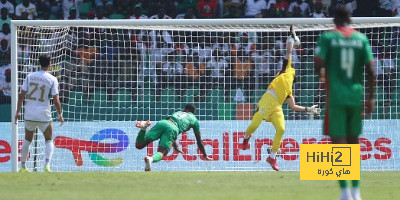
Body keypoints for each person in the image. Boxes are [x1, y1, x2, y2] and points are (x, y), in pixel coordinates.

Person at [314, 7, 375, 200]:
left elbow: (317, 63)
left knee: (339, 145)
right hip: (355, 96)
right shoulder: (361, 39)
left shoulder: (328, 38)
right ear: (350, 19)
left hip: (336, 97)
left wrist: (323, 76)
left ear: (334, 20)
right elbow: (372, 71)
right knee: (354, 144)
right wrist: (371, 98)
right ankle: (357, 192)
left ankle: (344, 192)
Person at [242, 25, 320, 171]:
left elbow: (293, 107)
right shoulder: (286, 70)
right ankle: (246, 137)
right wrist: (292, 36)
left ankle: (272, 157)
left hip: (277, 106)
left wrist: (309, 109)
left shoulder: (289, 91)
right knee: (255, 124)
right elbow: (289, 52)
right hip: (268, 100)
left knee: (281, 129)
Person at [15, 54, 64, 172]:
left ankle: (22, 166)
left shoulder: (30, 76)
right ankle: (47, 165)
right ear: (50, 63)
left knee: (27, 139)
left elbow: (21, 95)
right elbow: (56, 100)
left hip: (29, 113)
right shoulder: (52, 79)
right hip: (44, 114)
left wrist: (17, 112)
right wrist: (60, 115)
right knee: (48, 139)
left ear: (39, 63)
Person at [135, 104, 210, 171]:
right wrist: (204, 154)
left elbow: (170, 133)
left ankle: (143, 128)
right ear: (193, 112)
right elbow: (199, 141)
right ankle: (150, 159)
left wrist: (176, 147)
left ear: (185, 110)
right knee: (162, 152)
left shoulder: (177, 113)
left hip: (163, 122)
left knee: (139, 145)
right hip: (173, 128)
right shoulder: (194, 120)